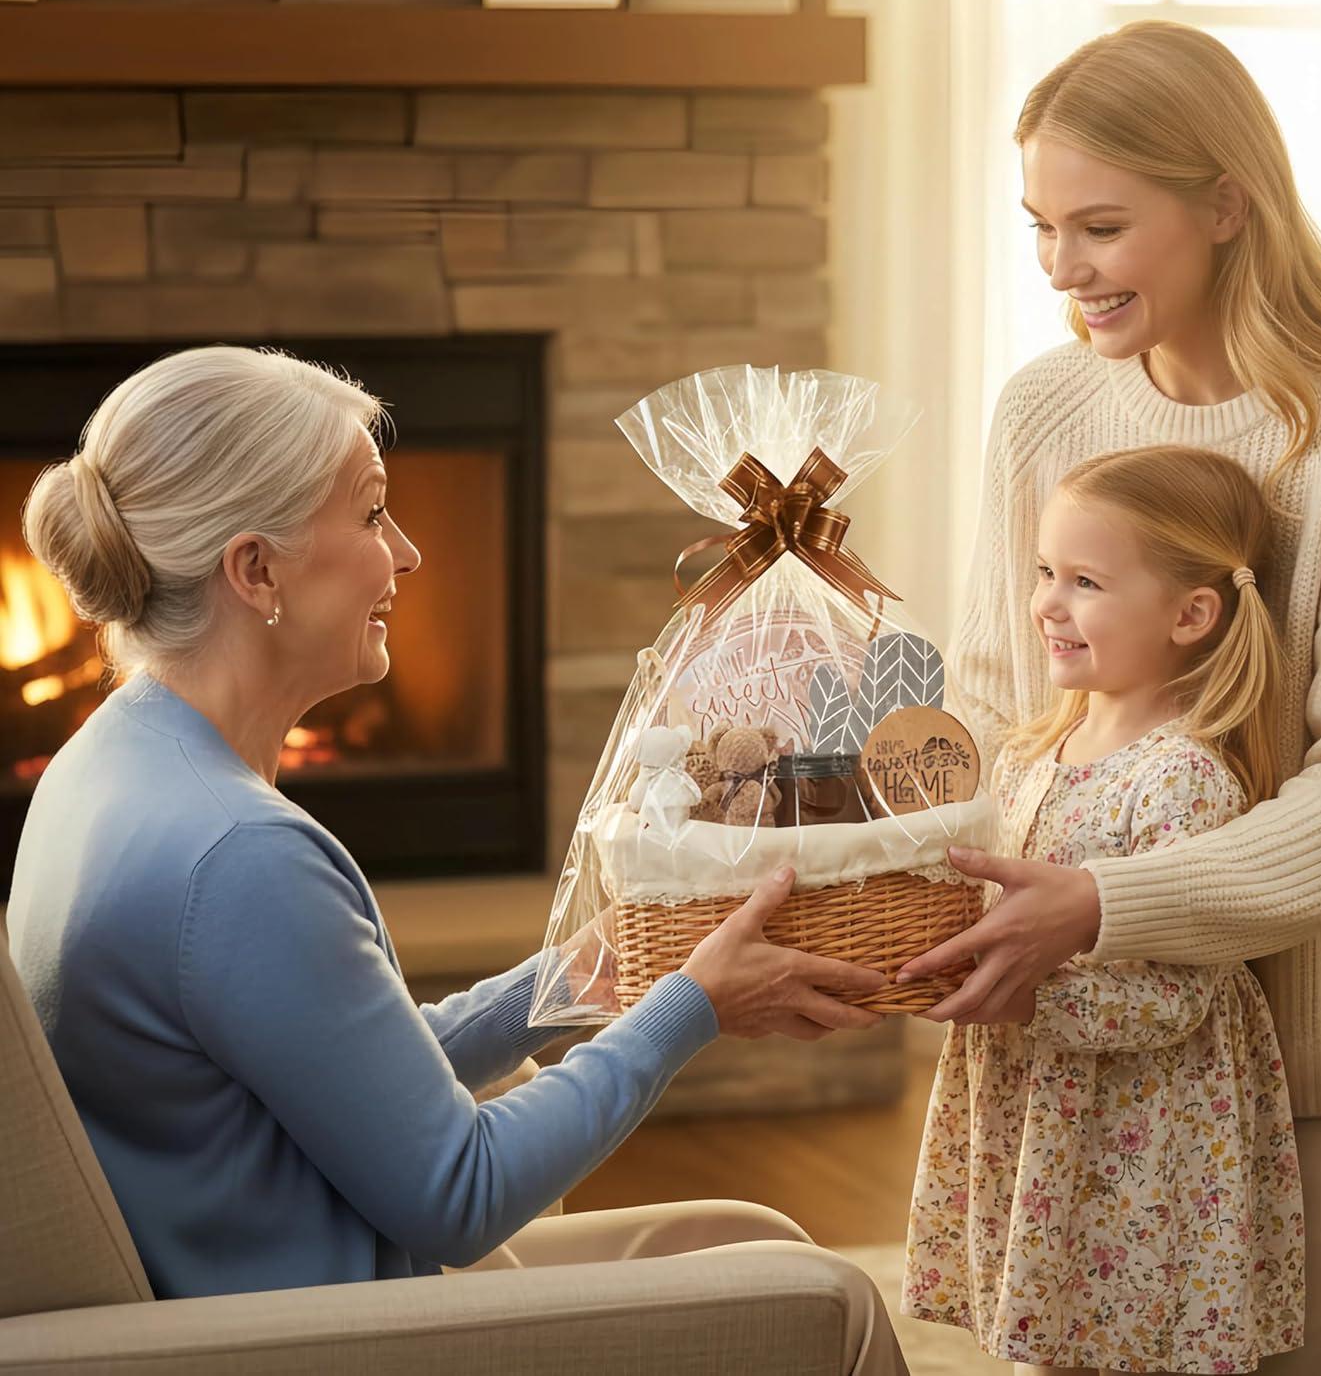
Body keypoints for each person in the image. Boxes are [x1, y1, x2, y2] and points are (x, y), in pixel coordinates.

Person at [6, 344, 909, 1374]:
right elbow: (458, 1195)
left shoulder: (111, 762)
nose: (408, 554)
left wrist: (580, 977)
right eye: (371, 513)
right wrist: (689, 1009)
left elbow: (343, 1071)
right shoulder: (239, 855)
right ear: (256, 570)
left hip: (266, 1285)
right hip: (311, 1338)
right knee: (829, 1302)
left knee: (747, 1241)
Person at [894, 20, 1321, 1375]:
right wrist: (931, 882)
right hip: (1098, 1041)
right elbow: (997, 694)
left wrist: (1102, 906)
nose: (1062, 271)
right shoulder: (1044, 408)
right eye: (1041, 226)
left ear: (1226, 204)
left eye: (1099, 225)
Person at [903, 445, 1303, 1373]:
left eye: (1085, 581)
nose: (1047, 602)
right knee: (1048, 1327)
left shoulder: (1182, 779)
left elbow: (1174, 1000)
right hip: (1042, 1113)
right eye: (1046, 572)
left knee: (1126, 1333)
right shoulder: (1033, 754)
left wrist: (1024, 997)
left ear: (1190, 614)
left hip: (1136, 1134)